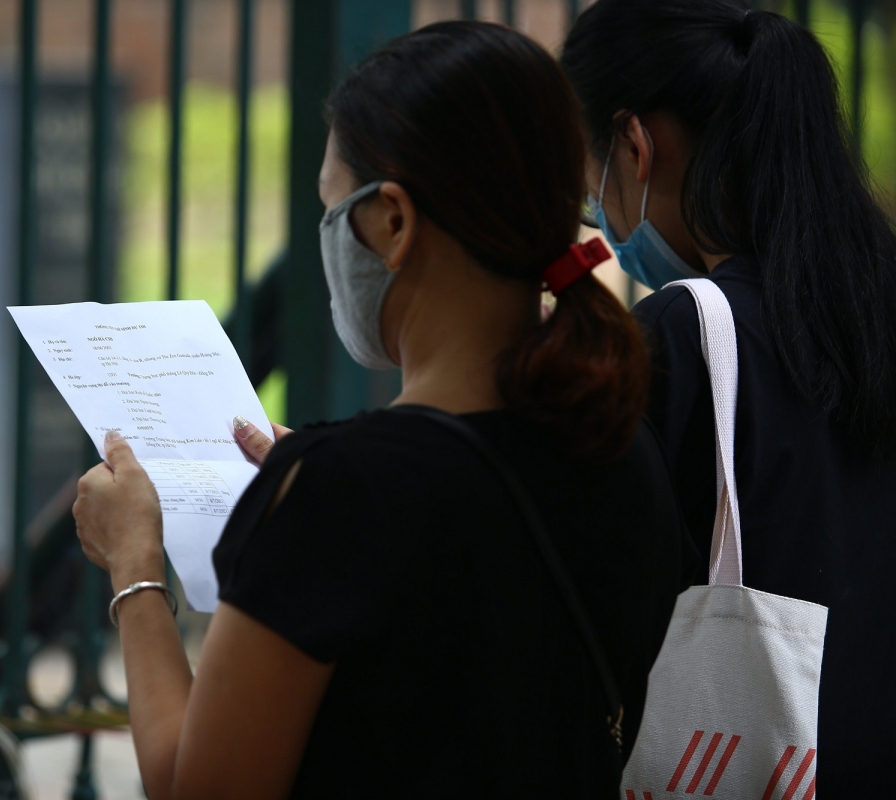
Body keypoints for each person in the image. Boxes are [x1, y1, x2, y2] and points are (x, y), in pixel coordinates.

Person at [72, 20, 691, 798]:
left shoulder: (342, 495)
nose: (329, 239)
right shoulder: (622, 449)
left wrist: (135, 569)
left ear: (392, 222)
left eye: (332, 209)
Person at [561, 1, 896, 793]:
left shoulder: (686, 332)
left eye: (591, 191)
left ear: (636, 146)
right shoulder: (873, 300)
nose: (600, 219)